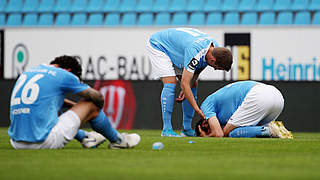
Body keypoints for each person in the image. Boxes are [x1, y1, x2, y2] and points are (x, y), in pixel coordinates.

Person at [8, 55, 141, 149]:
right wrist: (94, 111)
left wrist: (74, 107)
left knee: (52, 108)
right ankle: (118, 141)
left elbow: (42, 102)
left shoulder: (28, 72)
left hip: (15, 142)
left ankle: (86, 137)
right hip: (43, 142)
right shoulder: (62, 74)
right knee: (92, 104)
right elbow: (98, 97)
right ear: (69, 71)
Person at [146, 27, 233, 137]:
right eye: (216, 67)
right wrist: (197, 109)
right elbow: (184, 83)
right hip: (159, 45)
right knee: (171, 83)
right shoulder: (195, 51)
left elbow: (197, 70)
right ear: (213, 61)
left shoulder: (214, 49)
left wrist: (187, 86)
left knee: (193, 84)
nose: (214, 69)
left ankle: (186, 129)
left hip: (178, 50)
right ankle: (167, 129)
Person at [195, 81, 293, 138]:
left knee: (228, 132)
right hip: (277, 96)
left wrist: (206, 136)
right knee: (239, 131)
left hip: (258, 95)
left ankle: (269, 130)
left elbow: (219, 134)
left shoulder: (205, 106)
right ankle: (273, 128)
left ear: (204, 124)